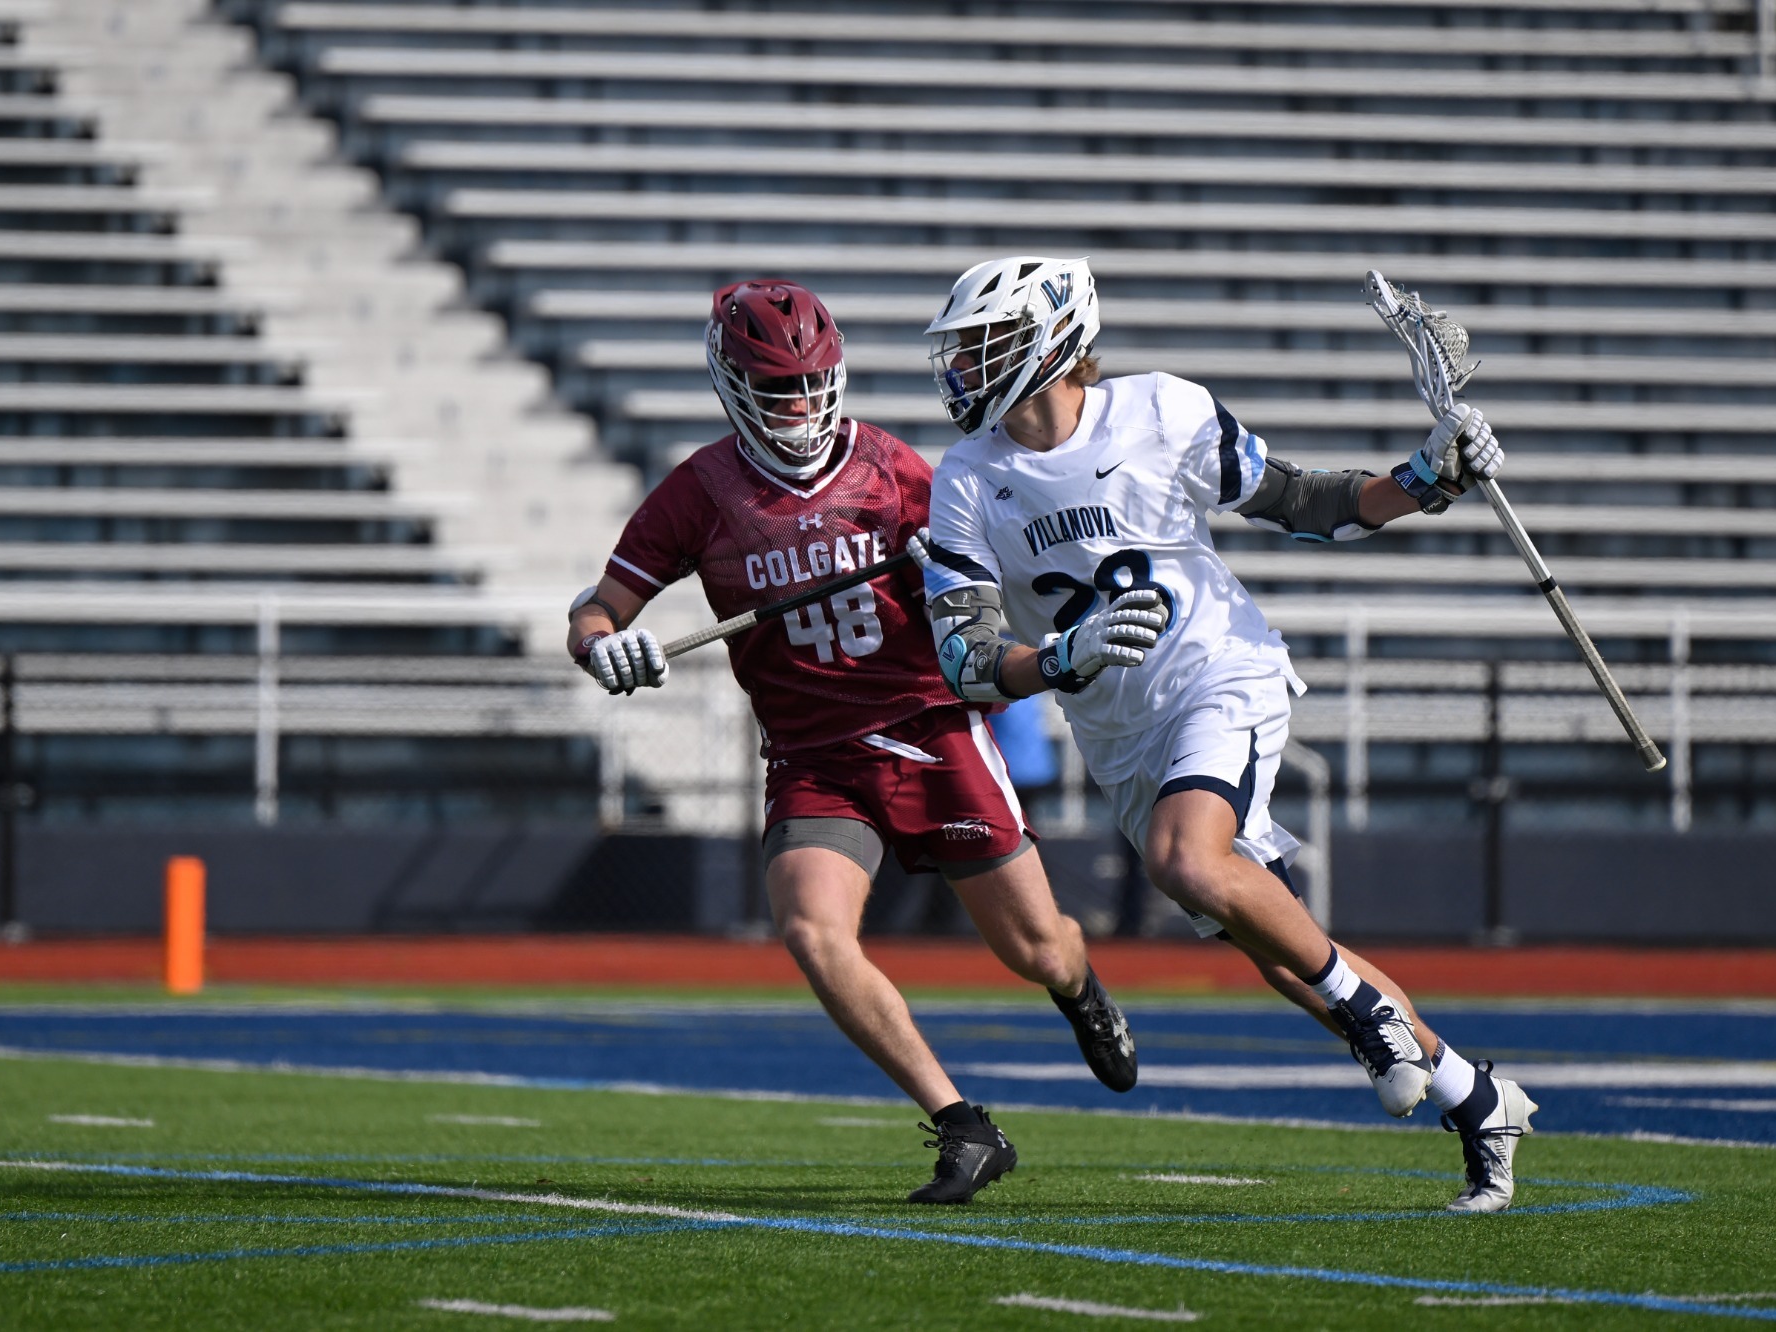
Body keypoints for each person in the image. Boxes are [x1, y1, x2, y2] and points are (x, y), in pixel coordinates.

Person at [914, 254, 1536, 1214]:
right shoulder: (966, 480)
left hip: (1220, 668)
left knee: (1186, 860)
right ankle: (1476, 1096)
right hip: (1121, 735)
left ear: (1052, 338)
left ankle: (1376, 1019)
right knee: (1284, 955)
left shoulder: (1162, 410)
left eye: (985, 343)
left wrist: (1426, 477)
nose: (964, 366)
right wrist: (1060, 661)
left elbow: (1305, 502)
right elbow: (968, 658)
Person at [565, 278, 1137, 1206]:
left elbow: (990, 592)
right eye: (778, 387)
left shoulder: (897, 469)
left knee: (1037, 949)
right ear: (733, 385)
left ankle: (1079, 990)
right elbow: (599, 609)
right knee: (809, 927)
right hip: (812, 755)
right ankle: (963, 1125)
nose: (800, 404)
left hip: (928, 728)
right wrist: (606, 646)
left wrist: (950, 564)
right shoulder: (698, 492)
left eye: (812, 382)